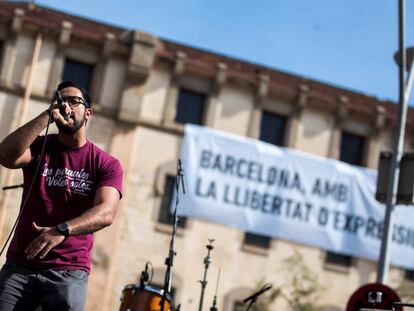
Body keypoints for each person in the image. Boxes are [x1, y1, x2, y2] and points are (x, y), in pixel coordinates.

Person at [0, 81, 123, 311]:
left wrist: (61, 230)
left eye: (74, 101)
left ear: (88, 113)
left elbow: (106, 212)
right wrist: (45, 116)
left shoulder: (105, 164)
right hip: (20, 266)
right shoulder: (40, 147)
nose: (66, 105)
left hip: (68, 272)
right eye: (61, 100)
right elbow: (6, 156)